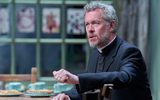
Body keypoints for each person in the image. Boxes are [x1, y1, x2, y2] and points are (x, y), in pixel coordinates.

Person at [52, 1, 152, 100]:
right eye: (87, 24)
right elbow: (89, 87)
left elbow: (123, 77)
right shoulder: (96, 52)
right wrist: (68, 96)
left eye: (95, 23)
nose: (90, 29)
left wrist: (77, 79)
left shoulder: (129, 52)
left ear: (112, 26)